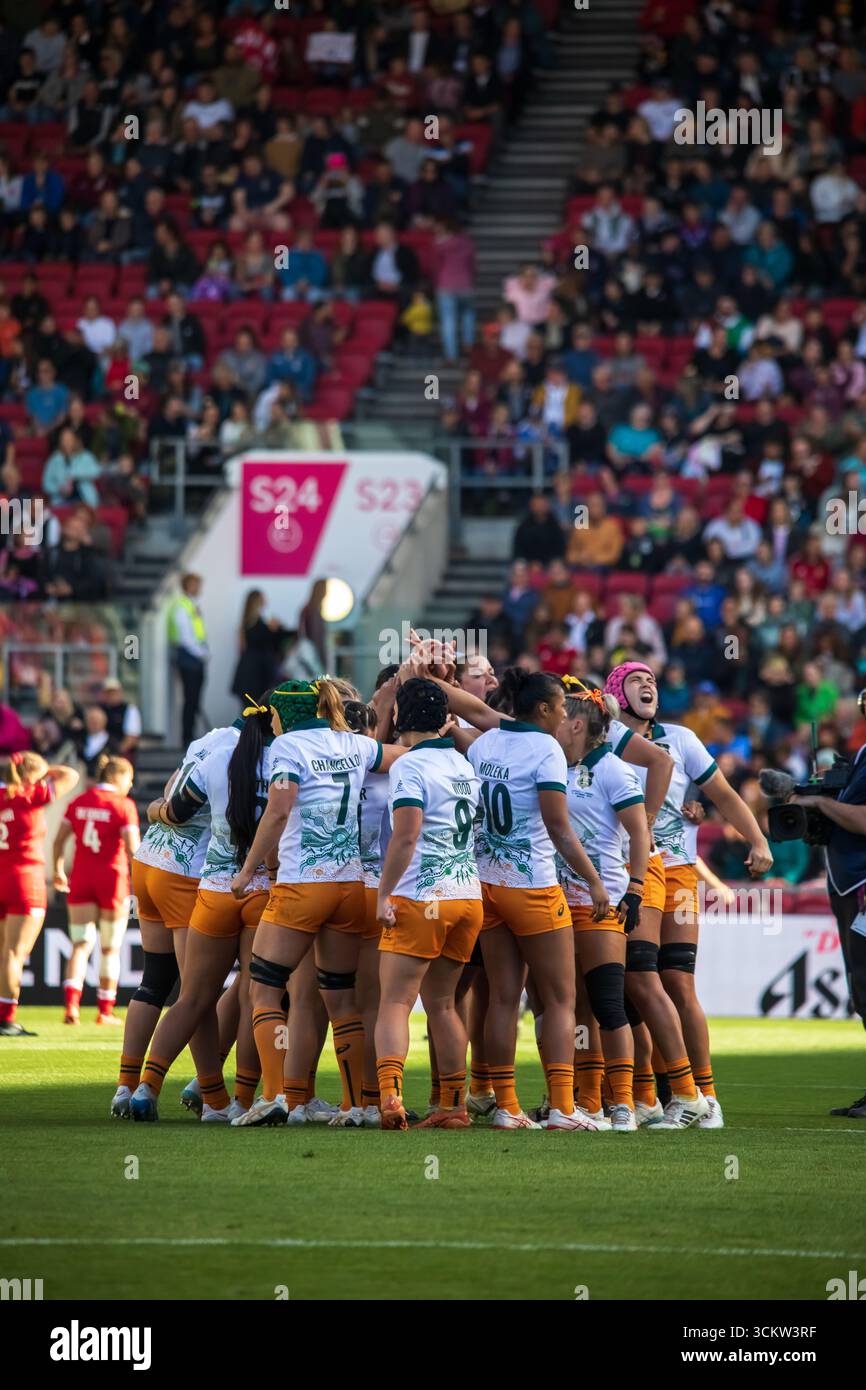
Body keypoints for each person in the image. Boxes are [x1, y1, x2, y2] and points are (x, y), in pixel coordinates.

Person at [414, 657, 611, 1130]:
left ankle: (507, 1107)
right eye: (561, 707)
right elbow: (559, 828)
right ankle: (564, 1108)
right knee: (560, 1001)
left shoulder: (487, 745)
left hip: (486, 884)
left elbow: (470, 722)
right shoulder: (547, 751)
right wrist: (595, 881)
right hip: (534, 887)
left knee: (503, 997)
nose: (566, 716)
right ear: (543, 709)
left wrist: (428, 679)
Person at [228, 679, 407, 1128]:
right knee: (341, 998)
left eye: (272, 714)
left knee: (263, 988)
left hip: (303, 885)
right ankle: (353, 1106)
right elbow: (402, 756)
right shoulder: (352, 743)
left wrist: (248, 870)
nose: (268, 720)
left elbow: (280, 810)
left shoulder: (287, 746)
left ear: (285, 714)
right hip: (352, 887)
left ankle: (273, 1096)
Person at [603, 661, 773, 1128]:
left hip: (673, 870)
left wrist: (758, 840)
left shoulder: (679, 739)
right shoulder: (601, 741)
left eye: (652, 680)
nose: (649, 685)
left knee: (672, 981)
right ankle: (647, 1095)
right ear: (616, 693)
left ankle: (704, 1095)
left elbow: (723, 793)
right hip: (614, 870)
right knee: (632, 984)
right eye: (637, 680)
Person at [129, 703, 272, 1122]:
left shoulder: (210, 748)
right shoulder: (287, 761)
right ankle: (245, 1099)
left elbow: (175, 805)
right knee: (257, 995)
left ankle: (141, 1086)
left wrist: (154, 809)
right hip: (250, 890)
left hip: (199, 882)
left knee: (183, 992)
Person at [111, 720, 245, 1119]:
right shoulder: (248, 752)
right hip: (185, 872)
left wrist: (154, 810)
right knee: (197, 993)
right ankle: (213, 1100)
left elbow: (171, 791)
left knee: (155, 980)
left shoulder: (206, 738)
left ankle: (125, 1085)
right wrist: (163, 812)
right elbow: (180, 807)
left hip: (149, 862)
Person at [375, 678, 483, 1130]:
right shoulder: (464, 763)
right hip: (467, 897)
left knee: (395, 1003)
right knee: (442, 1005)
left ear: (399, 716)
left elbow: (407, 835)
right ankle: (454, 1106)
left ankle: (390, 1099)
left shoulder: (408, 766)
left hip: (422, 895)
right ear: (445, 721)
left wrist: (383, 893)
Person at [555, 681, 650, 1131]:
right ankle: (588, 1103)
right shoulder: (558, 766)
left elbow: (639, 832)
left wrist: (635, 889)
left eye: (559, 718)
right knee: (574, 1009)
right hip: (557, 902)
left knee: (608, 1003)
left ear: (576, 724)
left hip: (603, 902)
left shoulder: (613, 769)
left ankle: (625, 1105)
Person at [795, 687, 866, 1119]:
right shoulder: (860, 757)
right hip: (849, 884)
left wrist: (820, 802)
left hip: (861, 883)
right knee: (862, 989)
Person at [53, 756, 139, 1027]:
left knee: (80, 945)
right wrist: (141, 885)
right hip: (112, 880)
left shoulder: (79, 801)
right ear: (119, 777)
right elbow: (133, 850)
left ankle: (72, 1007)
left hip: (81, 877)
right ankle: (104, 1010)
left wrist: (57, 869)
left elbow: (59, 840)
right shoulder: (124, 806)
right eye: (129, 778)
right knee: (110, 948)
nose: (132, 784)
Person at [0, 752, 80, 1037]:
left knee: (2, 953)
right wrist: (44, 770)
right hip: (25, 880)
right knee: (14, 953)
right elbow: (71, 775)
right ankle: (6, 1018)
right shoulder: (32, 794)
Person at [230, 590, 291, 706]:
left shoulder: (249, 624)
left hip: (250, 674)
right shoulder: (256, 625)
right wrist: (273, 629)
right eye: (263, 598)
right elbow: (268, 642)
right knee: (254, 711)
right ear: (257, 602)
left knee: (251, 711)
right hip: (254, 675)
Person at [168, 573, 209, 746]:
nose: (199, 588)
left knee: (194, 698)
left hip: (195, 656)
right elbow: (185, 636)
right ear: (189, 585)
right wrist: (201, 653)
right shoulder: (182, 606)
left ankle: (190, 734)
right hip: (189, 657)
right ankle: (187, 736)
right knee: (190, 698)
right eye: (197, 584)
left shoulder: (191, 605)